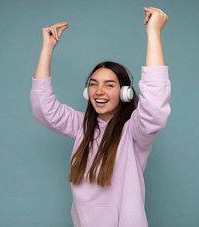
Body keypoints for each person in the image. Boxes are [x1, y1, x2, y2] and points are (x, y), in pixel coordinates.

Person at [30, 6, 170, 227]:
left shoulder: (134, 131)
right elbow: (43, 107)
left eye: (109, 85)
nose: (99, 91)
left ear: (125, 93)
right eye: (93, 85)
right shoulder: (80, 126)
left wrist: (153, 33)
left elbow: (154, 105)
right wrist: (47, 48)